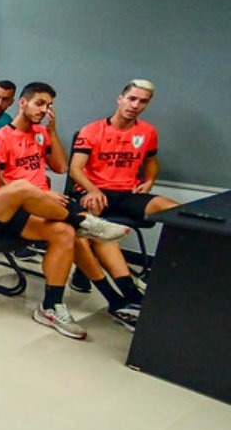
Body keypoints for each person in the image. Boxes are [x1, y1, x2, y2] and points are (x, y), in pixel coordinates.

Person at [0, 76, 131, 339]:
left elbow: (5, 176)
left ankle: (51, 306)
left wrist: (4, 195)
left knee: (62, 232)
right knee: (23, 187)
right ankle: (84, 222)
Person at [68, 79, 178, 327]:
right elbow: (75, 169)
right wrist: (92, 189)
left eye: (142, 101)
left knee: (177, 212)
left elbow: (151, 161)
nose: (135, 105)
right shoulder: (92, 130)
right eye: (131, 99)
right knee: (95, 227)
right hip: (96, 192)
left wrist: (149, 181)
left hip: (128, 193)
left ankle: (159, 273)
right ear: (120, 99)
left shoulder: (147, 132)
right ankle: (128, 293)